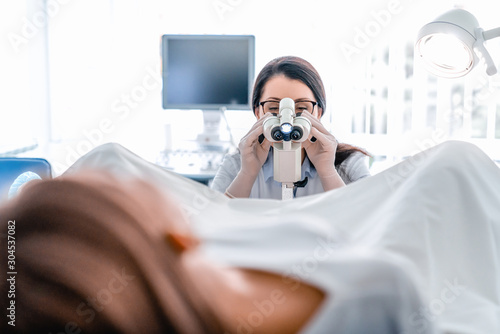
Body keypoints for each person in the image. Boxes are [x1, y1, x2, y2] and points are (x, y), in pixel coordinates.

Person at [2, 140, 500, 333]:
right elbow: (221, 208)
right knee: (454, 164)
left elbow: (367, 201)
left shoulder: (345, 161)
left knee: (107, 156)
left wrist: (326, 166)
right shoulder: (372, 293)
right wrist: (249, 166)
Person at [210, 56, 371, 199]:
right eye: (274, 108)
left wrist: (327, 171)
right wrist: (247, 174)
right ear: (258, 113)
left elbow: (369, 224)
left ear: (319, 112)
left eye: (301, 108)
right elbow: (209, 223)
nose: (287, 120)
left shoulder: (349, 165)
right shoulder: (236, 165)